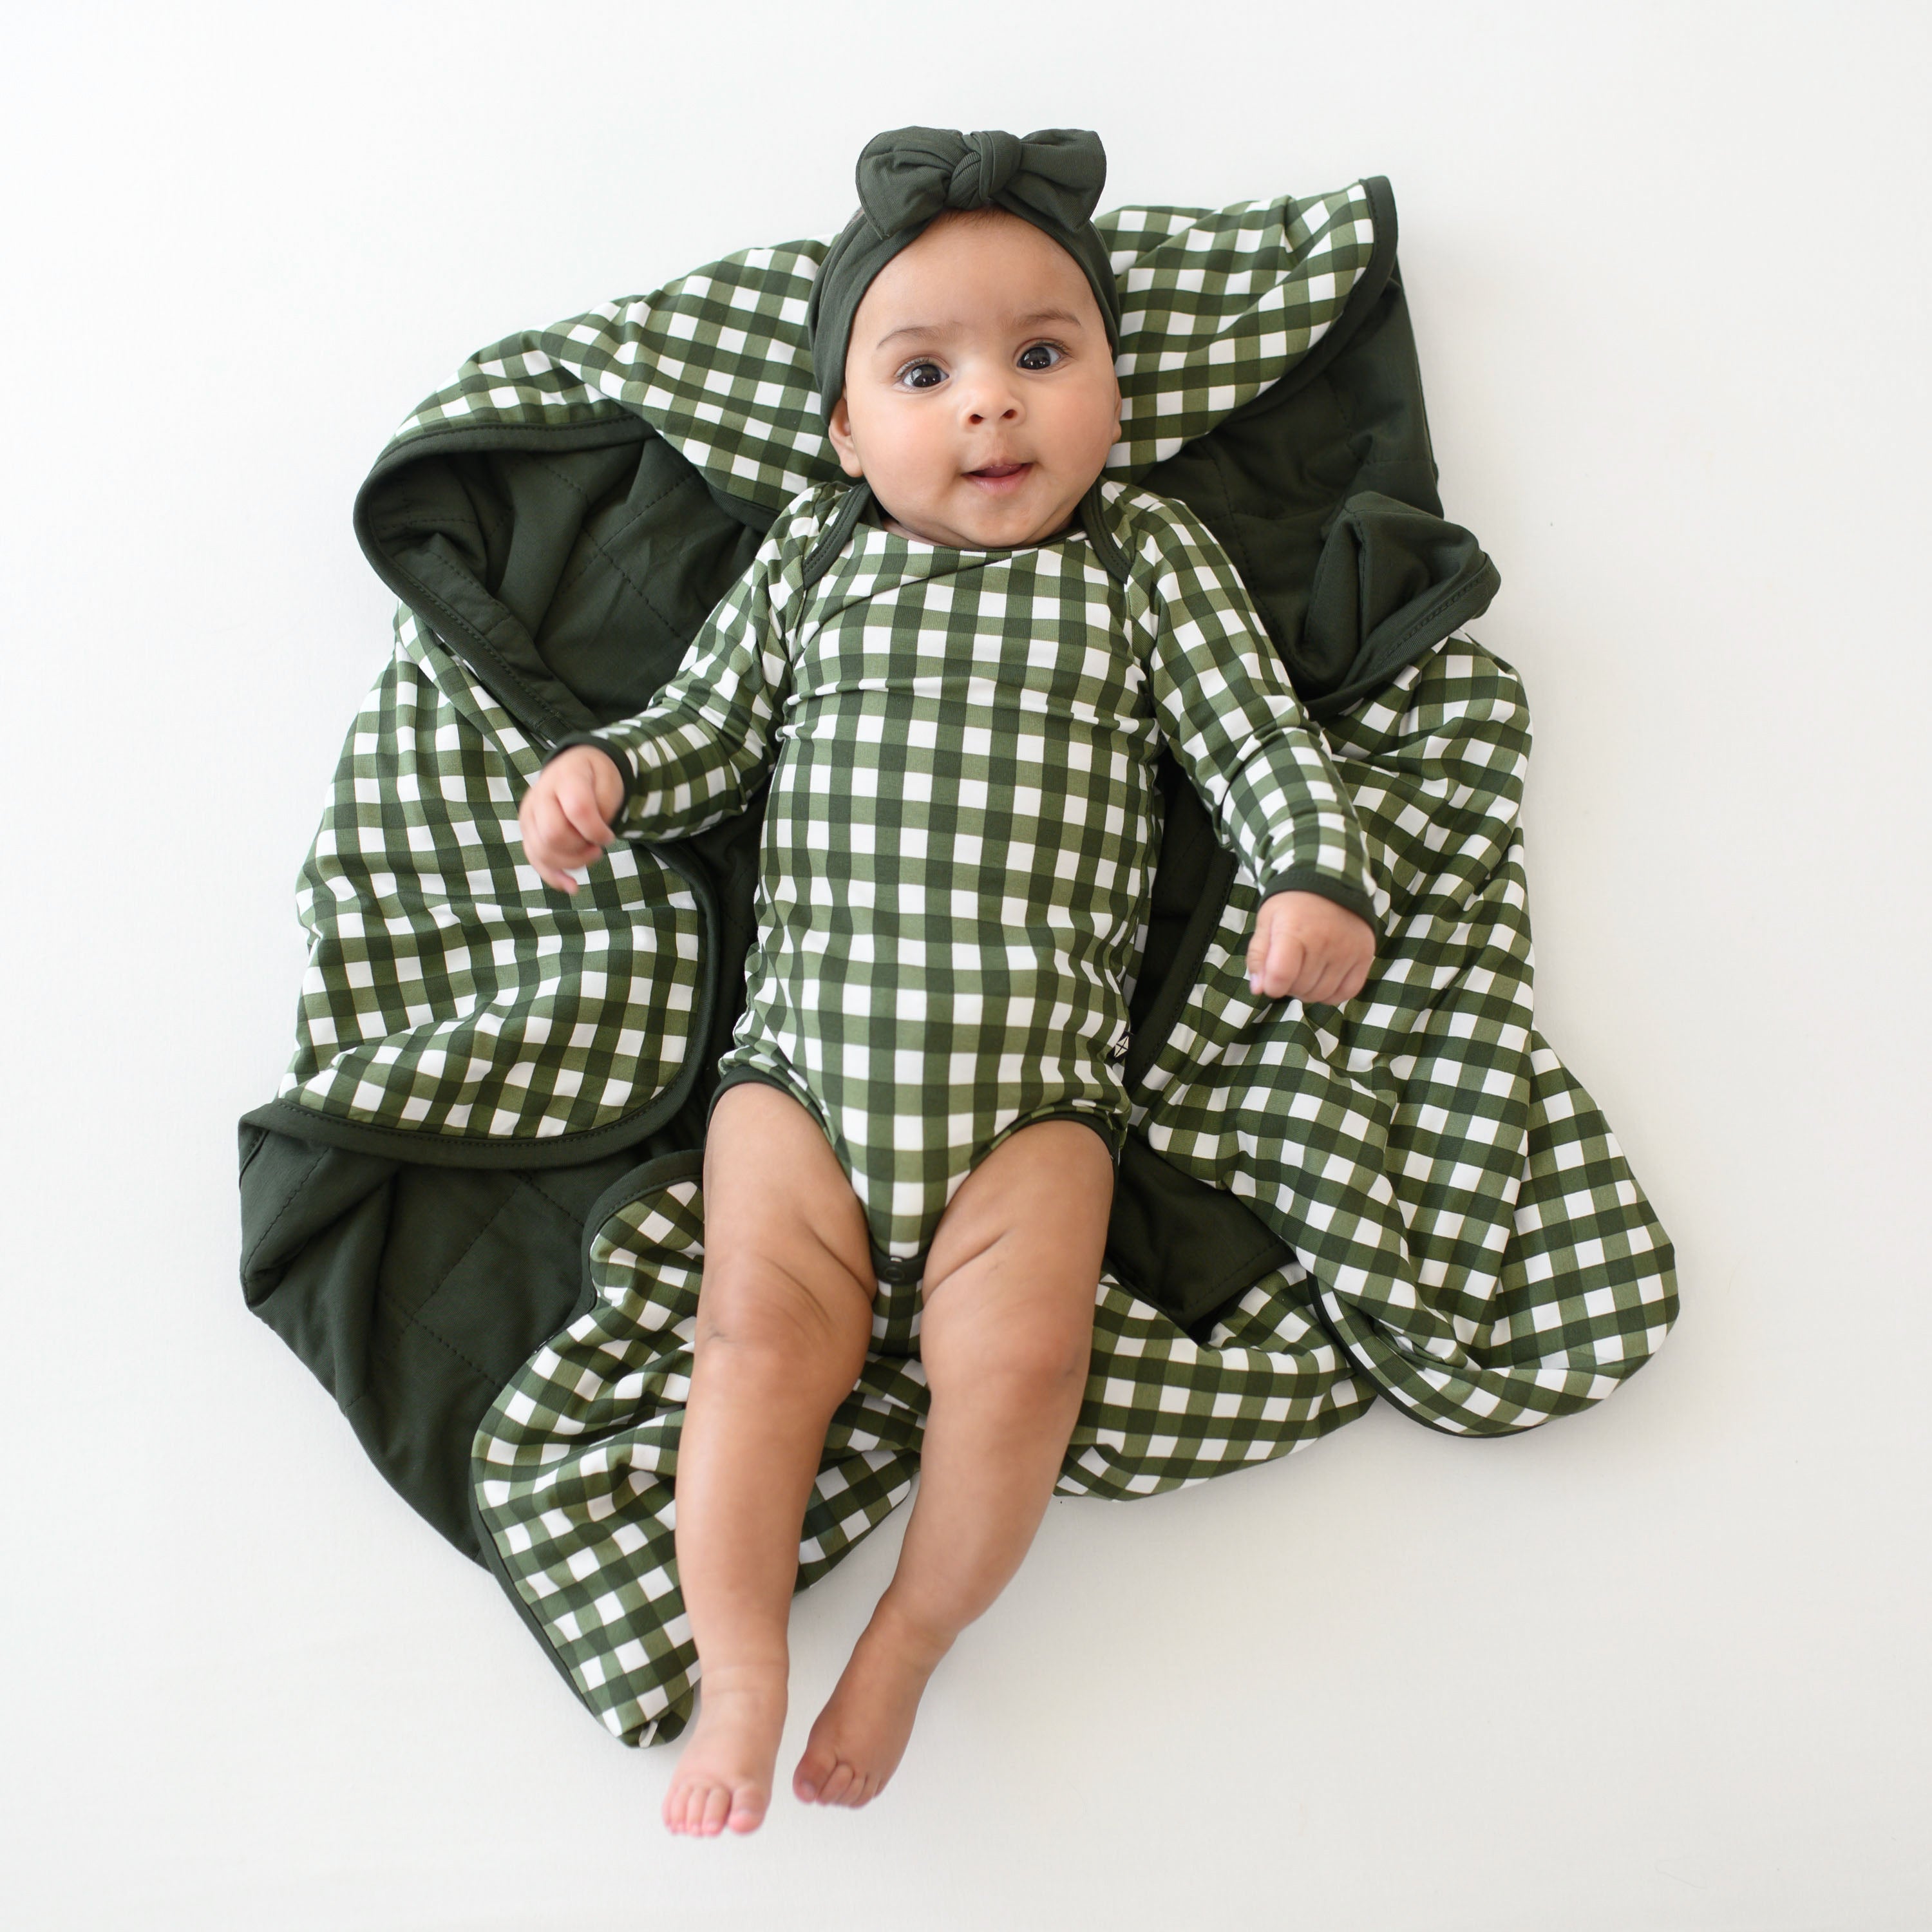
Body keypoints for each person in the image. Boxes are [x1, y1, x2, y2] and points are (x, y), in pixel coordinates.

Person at [517, 127, 1379, 1837]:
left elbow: (1251, 742)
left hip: (1035, 1101)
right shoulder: (817, 559)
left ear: (1114, 397)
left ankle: (912, 1635)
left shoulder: (1144, 561)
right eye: (926, 372)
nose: (991, 406)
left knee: (1025, 1369)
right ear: (844, 430)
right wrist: (608, 777)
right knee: (753, 1340)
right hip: (806, 1077)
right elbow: (708, 739)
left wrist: (1311, 875)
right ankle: (742, 1664)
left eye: (1043, 357)